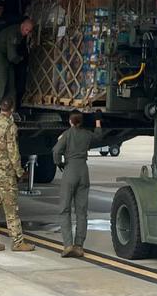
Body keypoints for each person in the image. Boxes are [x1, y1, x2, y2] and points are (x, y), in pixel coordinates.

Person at [0, 97, 35, 253]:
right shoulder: (10, 126)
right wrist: (19, 171)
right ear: (12, 110)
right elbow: (13, 152)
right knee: (11, 209)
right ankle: (17, 242)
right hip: (5, 172)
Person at [53, 110, 103, 257]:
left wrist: (59, 163)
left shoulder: (67, 134)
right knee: (81, 211)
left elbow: (56, 151)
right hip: (83, 171)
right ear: (81, 122)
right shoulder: (87, 134)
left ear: (70, 121)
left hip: (70, 170)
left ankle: (68, 244)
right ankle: (79, 245)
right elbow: (99, 137)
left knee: (65, 209)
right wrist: (98, 121)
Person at [0, 18, 34, 115]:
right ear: (22, 26)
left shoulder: (19, 33)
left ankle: (10, 110)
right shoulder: (14, 33)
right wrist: (21, 59)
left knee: (11, 84)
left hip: (6, 58)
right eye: (26, 30)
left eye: (29, 31)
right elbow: (12, 56)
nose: (26, 33)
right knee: (0, 83)